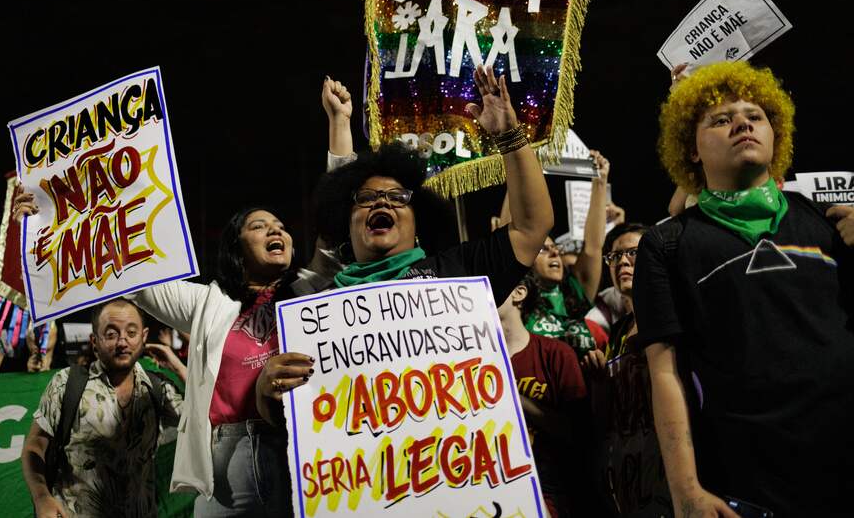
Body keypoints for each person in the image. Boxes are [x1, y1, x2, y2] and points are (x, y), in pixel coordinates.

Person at [14, 76, 356, 518]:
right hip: (227, 468)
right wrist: (43, 219)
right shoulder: (206, 303)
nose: (277, 230)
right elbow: (127, 271)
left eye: (281, 226)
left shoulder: (308, 289)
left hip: (302, 453)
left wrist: (339, 122)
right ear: (236, 248)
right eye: (259, 226)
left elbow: (336, 223)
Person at [257, 64, 554, 420]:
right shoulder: (316, 308)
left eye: (398, 198)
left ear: (418, 223)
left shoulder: (458, 272)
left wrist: (509, 136)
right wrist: (265, 390)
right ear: (346, 225)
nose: (381, 202)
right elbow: (289, 418)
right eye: (365, 199)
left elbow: (532, 227)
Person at [633, 61, 854, 517]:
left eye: (755, 116)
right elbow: (664, 374)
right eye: (720, 119)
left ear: (776, 136)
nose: (742, 124)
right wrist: (687, 492)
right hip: (749, 490)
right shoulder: (666, 244)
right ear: (691, 150)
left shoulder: (828, 223)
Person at [20, 298, 182, 518]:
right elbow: (34, 446)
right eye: (111, 334)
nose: (122, 342)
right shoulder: (66, 383)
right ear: (94, 341)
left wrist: (180, 368)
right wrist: (41, 497)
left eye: (131, 333)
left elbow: (208, 420)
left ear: (143, 337)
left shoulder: (158, 389)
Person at [591, 223, 673, 517]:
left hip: (672, 475)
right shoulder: (617, 333)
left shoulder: (674, 317)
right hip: (631, 481)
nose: (622, 262)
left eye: (633, 253)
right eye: (614, 257)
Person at [498, 276, 588, 517]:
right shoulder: (474, 363)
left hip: (552, 491)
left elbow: (578, 432)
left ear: (519, 293)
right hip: (501, 493)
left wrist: (517, 399)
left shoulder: (556, 354)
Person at [515, 151, 612, 364]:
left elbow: (593, 247)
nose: (554, 252)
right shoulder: (517, 302)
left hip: (584, 393)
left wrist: (599, 181)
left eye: (555, 247)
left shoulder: (576, 292)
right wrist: (523, 166)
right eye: (543, 249)